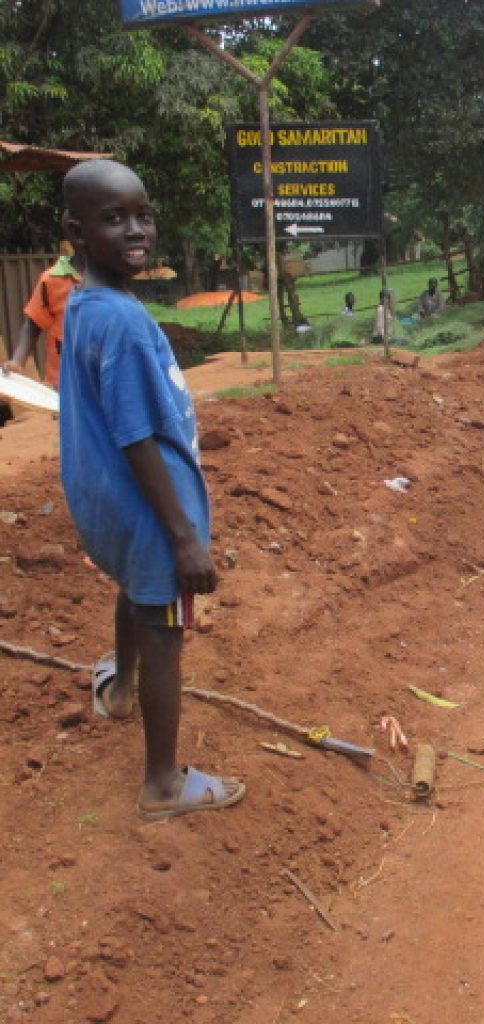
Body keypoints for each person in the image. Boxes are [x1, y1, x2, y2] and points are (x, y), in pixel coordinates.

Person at [59, 158, 245, 821]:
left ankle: (119, 689)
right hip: (150, 514)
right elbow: (138, 437)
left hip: (108, 506)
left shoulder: (86, 303)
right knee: (164, 629)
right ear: (76, 232)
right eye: (114, 219)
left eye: (143, 215)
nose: (136, 231)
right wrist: (184, 537)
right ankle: (162, 782)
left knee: (136, 593)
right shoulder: (125, 323)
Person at [3, 240, 82, 387]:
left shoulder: (115, 279)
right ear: (75, 232)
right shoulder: (52, 280)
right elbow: (33, 324)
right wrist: (17, 361)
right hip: (60, 385)